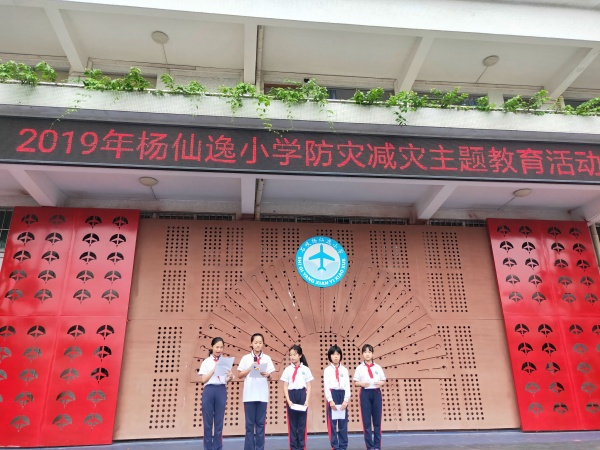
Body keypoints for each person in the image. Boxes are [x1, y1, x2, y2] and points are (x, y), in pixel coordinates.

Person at [237, 333, 277, 450]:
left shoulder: (267, 358)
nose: (258, 345)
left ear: (263, 344)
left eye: (260, 342)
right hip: (249, 396)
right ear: (251, 344)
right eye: (256, 342)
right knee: (249, 426)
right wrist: (250, 368)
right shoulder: (245, 358)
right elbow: (239, 375)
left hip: (262, 396)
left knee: (260, 425)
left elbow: (272, 377)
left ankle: (260, 448)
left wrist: (268, 375)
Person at [199, 337, 234, 450]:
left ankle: (218, 447)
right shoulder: (206, 362)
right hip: (209, 390)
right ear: (212, 347)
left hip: (221, 390)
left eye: (221, 347)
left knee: (219, 421)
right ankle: (208, 447)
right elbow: (203, 379)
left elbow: (224, 380)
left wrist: (230, 377)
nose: (219, 350)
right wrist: (213, 370)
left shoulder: (225, 362)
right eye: (217, 347)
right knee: (208, 422)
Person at [280, 344, 313, 450]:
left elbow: (309, 385)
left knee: (302, 423)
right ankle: (293, 447)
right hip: (291, 395)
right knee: (293, 423)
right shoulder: (287, 369)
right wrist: (288, 400)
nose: (292, 357)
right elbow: (285, 386)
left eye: (294, 354)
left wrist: (307, 400)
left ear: (300, 355)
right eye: (290, 355)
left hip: (302, 394)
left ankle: (301, 446)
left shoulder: (305, 369)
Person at [353, 344, 386, 450]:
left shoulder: (378, 367)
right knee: (366, 421)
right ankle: (370, 446)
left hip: (376, 393)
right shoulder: (359, 368)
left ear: (372, 354)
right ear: (362, 354)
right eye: (365, 352)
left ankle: (377, 446)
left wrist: (381, 383)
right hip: (365, 393)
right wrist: (362, 384)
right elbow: (355, 382)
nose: (367, 354)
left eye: (369, 352)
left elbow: (383, 380)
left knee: (377, 421)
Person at [323, 344, 351, 450]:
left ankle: (343, 446)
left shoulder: (344, 370)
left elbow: (347, 386)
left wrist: (346, 400)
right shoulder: (327, 370)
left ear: (340, 356)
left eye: (338, 354)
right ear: (330, 356)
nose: (336, 356)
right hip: (332, 394)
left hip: (342, 395)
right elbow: (326, 386)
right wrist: (330, 400)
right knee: (332, 424)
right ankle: (334, 446)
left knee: (343, 424)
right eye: (333, 354)